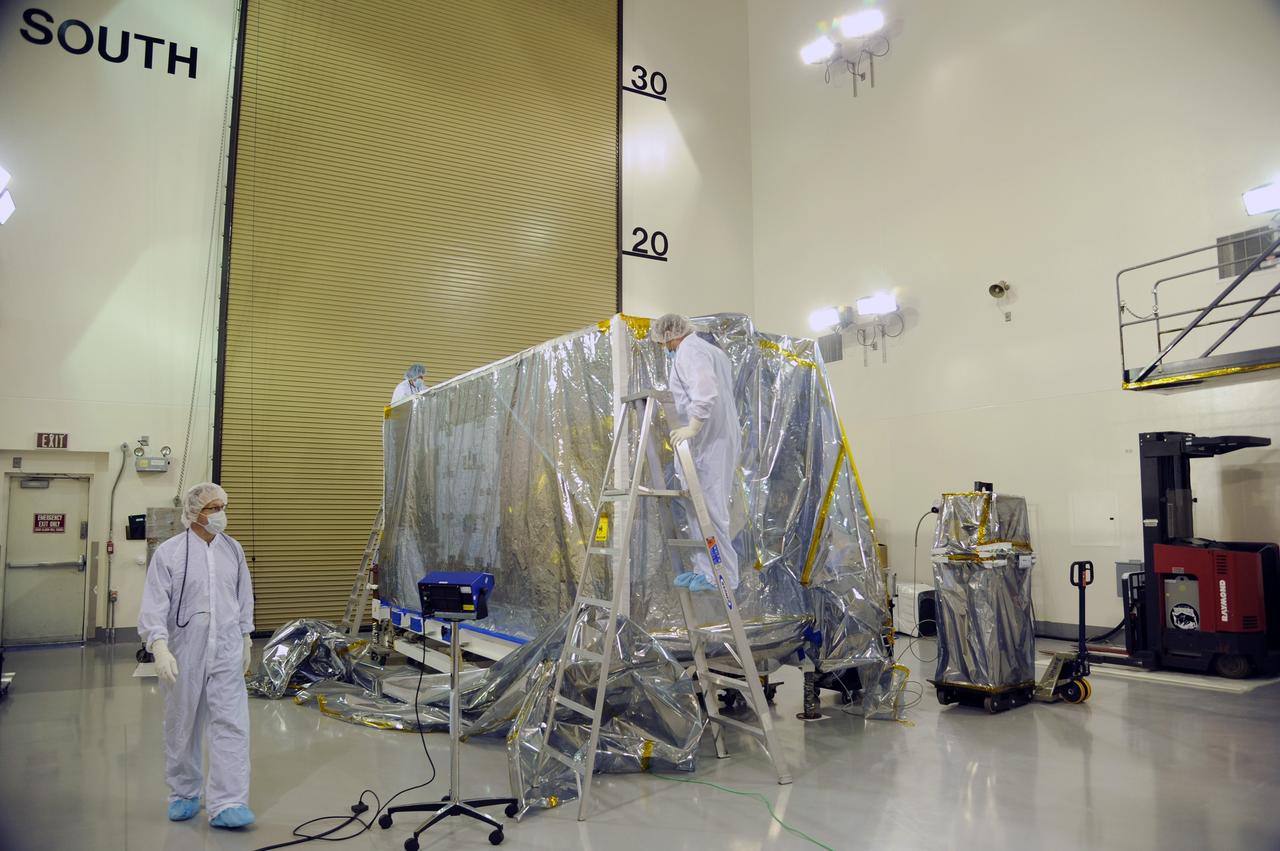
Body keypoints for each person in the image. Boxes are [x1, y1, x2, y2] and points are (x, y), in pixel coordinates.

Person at [138, 482, 256, 828]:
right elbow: (154, 605)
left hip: (227, 649)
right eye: (212, 508)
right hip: (184, 651)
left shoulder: (233, 550)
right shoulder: (170, 554)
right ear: (193, 513)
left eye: (222, 507)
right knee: (182, 723)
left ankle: (229, 802)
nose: (220, 514)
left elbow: (242, 596)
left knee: (231, 724)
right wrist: (159, 647)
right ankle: (184, 792)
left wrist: (246, 637)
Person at [651, 313, 741, 592]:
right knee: (697, 507)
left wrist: (693, 425)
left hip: (710, 440)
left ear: (668, 335)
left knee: (711, 510)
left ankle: (724, 576)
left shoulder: (690, 351)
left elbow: (705, 390)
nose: (661, 346)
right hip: (709, 440)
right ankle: (705, 570)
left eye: (661, 341)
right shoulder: (710, 351)